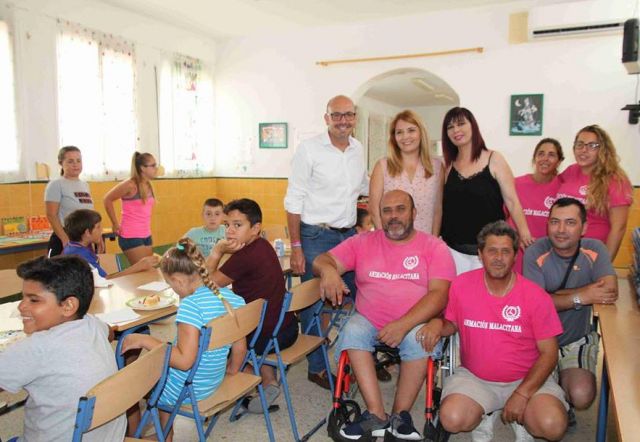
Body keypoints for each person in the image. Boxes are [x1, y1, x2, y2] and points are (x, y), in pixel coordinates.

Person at [313, 190, 456, 440]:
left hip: (416, 322)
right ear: (379, 215)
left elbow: (439, 295)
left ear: (413, 213)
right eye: (387, 211)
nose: (393, 216)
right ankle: (376, 414)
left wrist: (403, 325)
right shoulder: (363, 242)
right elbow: (322, 259)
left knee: (419, 338)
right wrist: (329, 271)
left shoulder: (434, 247)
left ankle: (400, 415)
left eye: (400, 209)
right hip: (370, 319)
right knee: (353, 329)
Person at [419, 221, 567, 442]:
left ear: (515, 256)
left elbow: (549, 353)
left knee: (552, 426)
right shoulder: (461, 285)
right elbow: (453, 324)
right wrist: (437, 324)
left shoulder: (536, 296)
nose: (498, 258)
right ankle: (485, 413)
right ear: (480, 254)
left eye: (505, 251)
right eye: (492, 251)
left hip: (526, 378)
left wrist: (523, 393)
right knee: (452, 418)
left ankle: (523, 417)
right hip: (476, 378)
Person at [121, 238, 246, 442]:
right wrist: (231, 373)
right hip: (213, 379)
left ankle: (165, 435)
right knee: (166, 361)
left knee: (142, 376)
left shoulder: (190, 306)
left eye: (171, 285)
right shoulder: (233, 299)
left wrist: (146, 341)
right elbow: (240, 348)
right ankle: (164, 432)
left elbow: (184, 361)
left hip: (189, 388)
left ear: (178, 281)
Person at [284, 94, 368, 389]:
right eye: (337, 115)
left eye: (349, 115)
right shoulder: (309, 150)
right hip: (315, 237)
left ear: (355, 117)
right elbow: (293, 200)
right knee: (313, 304)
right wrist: (296, 247)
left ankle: (362, 359)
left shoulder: (358, 149)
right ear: (327, 118)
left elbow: (363, 189)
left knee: (364, 294)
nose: (343, 120)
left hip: (348, 237)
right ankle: (317, 367)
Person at [0, 255, 126, 441]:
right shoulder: (90, 323)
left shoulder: (36, 349)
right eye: (23, 297)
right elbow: (109, 333)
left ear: (68, 306)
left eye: (34, 300)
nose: (21, 306)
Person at [523, 198, 617, 426]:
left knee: (582, 395)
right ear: (547, 225)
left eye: (570, 222)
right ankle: (555, 397)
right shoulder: (535, 251)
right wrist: (581, 296)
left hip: (576, 338)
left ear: (583, 228)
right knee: (539, 417)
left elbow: (610, 290)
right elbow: (535, 305)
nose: (561, 230)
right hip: (538, 341)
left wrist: (553, 296)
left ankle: (562, 395)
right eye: (555, 222)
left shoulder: (595, 249)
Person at [206, 198, 298, 413]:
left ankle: (242, 386)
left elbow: (207, 285)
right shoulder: (262, 245)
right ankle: (269, 383)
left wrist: (217, 251)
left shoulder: (244, 256)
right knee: (253, 322)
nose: (229, 230)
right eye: (227, 224)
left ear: (255, 228)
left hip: (264, 335)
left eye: (238, 225)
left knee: (217, 340)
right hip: (285, 327)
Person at [440, 107, 533, 275]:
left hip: (487, 253)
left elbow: (512, 201)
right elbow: (440, 207)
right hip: (453, 251)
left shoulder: (494, 159)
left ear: (473, 127)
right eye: (450, 127)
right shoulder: (446, 166)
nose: (456, 130)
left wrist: (524, 232)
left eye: (461, 124)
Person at [556, 125, 633, 260]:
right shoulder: (571, 171)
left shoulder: (615, 180)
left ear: (603, 149)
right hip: (563, 250)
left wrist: (605, 265)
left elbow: (619, 228)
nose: (584, 150)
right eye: (580, 144)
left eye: (592, 145)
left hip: (591, 253)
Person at [369, 110, 444, 235]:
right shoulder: (382, 166)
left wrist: (434, 241)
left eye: (411, 130)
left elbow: (437, 210)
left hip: (425, 242)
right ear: (394, 137)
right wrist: (385, 239)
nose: (405, 137)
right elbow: (374, 208)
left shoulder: (436, 167)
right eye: (399, 132)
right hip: (392, 242)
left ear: (421, 132)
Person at [510, 138, 565, 272]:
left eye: (551, 155)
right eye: (541, 153)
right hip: (516, 253)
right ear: (535, 158)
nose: (545, 158)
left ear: (559, 161)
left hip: (547, 256)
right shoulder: (515, 184)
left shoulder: (563, 188)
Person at [62, 209, 159, 278]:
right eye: (98, 227)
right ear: (87, 232)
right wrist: (138, 266)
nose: (101, 230)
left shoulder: (73, 247)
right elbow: (105, 279)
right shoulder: (80, 256)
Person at [104, 151, 158, 265]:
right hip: (131, 235)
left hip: (146, 235)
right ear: (142, 168)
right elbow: (107, 199)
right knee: (143, 269)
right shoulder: (130, 185)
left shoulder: (148, 185)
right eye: (152, 166)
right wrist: (115, 223)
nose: (156, 168)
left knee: (148, 270)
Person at [44, 146, 95, 257]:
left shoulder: (85, 185)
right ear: (61, 163)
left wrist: (96, 236)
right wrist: (65, 240)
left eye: (78, 161)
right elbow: (51, 215)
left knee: (86, 273)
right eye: (70, 161)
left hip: (85, 238)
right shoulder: (56, 184)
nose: (75, 164)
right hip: (65, 238)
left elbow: (90, 215)